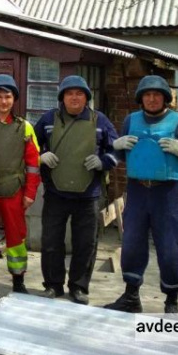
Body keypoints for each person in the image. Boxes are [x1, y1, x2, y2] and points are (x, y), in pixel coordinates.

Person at [104, 75, 178, 315]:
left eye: (157, 95)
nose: (151, 99)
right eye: (147, 95)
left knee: (170, 248)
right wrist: (115, 148)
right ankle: (131, 298)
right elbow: (120, 155)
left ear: (165, 99)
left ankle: (171, 301)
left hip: (168, 194)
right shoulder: (131, 120)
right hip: (138, 191)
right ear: (141, 98)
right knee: (131, 246)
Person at [34, 75, 118, 305]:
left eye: (79, 93)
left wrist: (104, 161)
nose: (74, 97)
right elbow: (30, 143)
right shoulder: (49, 119)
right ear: (62, 97)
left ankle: (79, 287)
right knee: (51, 241)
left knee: (86, 243)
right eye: (69, 93)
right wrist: (40, 155)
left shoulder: (100, 120)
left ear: (86, 98)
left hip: (88, 194)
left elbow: (116, 149)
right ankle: (53, 285)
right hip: (55, 193)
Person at [0, 74, 41, 302]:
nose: (4, 101)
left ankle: (18, 281)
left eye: (8, 97)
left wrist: (30, 194)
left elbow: (33, 164)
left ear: (14, 100)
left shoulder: (26, 128)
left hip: (15, 190)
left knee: (17, 237)